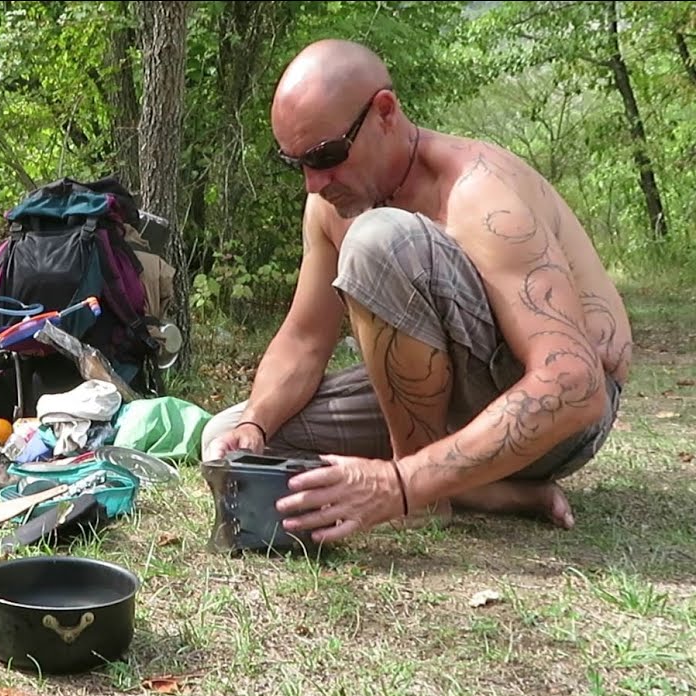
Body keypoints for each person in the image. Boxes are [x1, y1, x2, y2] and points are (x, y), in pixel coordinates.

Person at [200, 38, 633, 545]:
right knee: (225, 442)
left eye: (328, 155)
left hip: (561, 424)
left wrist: (399, 485)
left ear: (384, 112)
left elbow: (575, 385)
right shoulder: (330, 204)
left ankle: (418, 488)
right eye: (297, 163)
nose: (314, 184)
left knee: (379, 238)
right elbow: (303, 342)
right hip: (445, 406)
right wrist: (254, 425)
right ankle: (489, 491)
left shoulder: (479, 193)